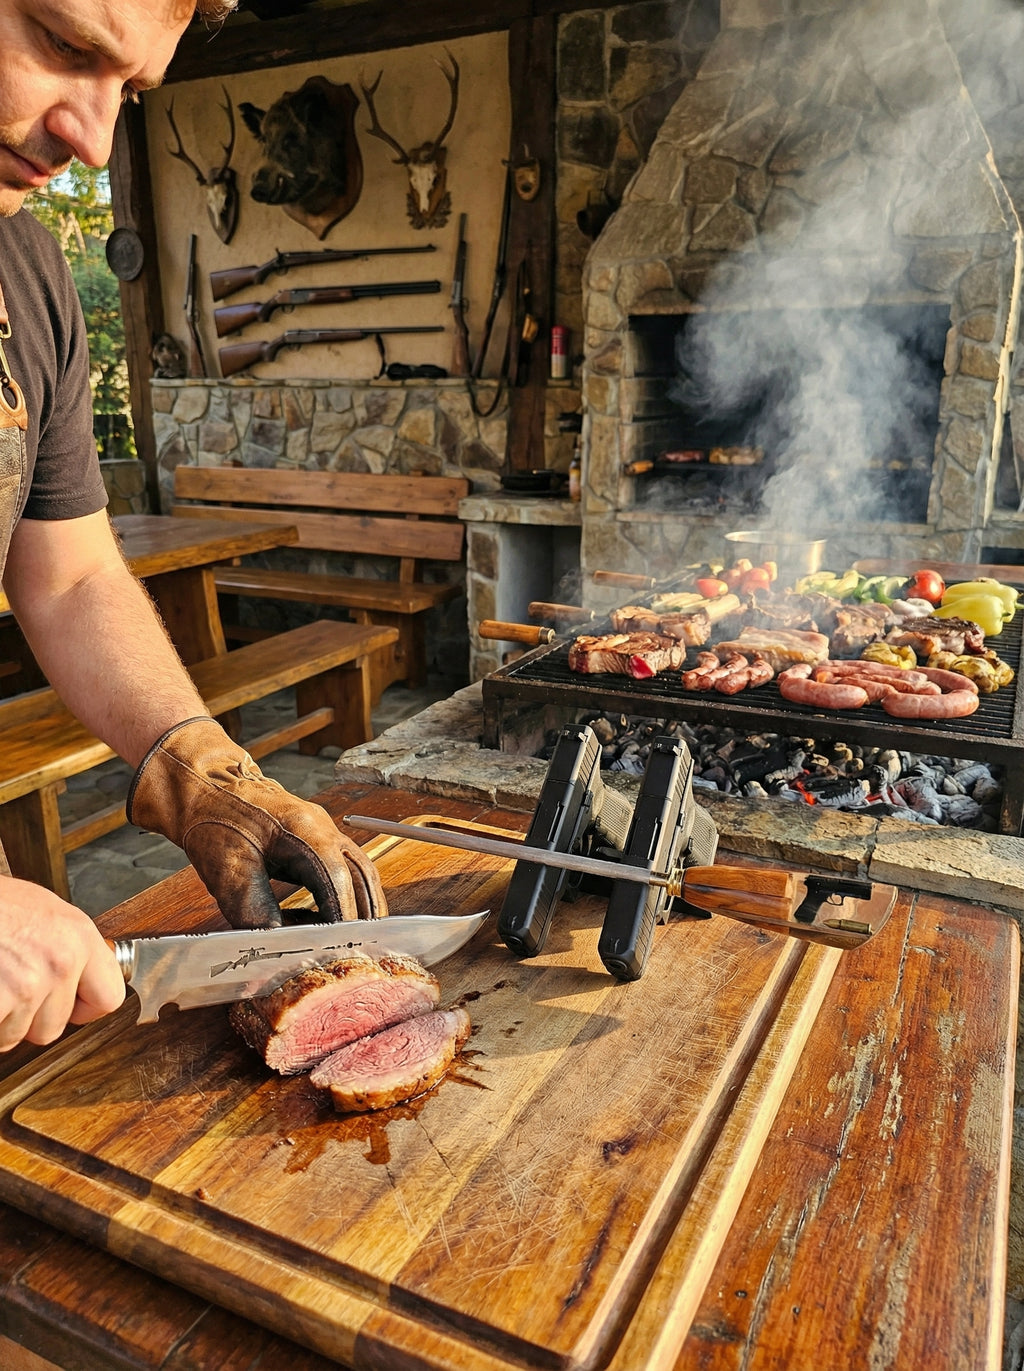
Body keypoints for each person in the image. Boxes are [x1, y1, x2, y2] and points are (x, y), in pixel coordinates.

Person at [0, 0, 386, 1052]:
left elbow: (71, 577)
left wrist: (198, 770)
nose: (92, 142)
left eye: (128, 90)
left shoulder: (28, 273)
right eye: (63, 44)